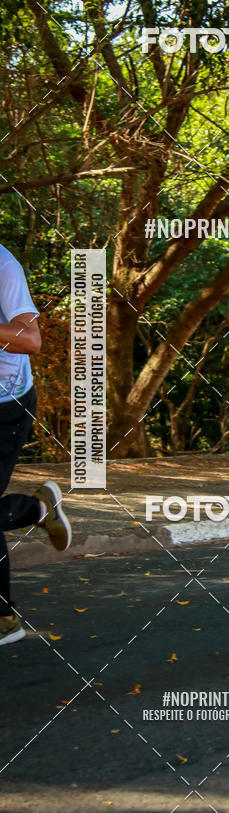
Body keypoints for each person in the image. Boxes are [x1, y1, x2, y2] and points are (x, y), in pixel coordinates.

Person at [0, 244, 71, 646]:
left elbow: (30, 340)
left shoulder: (3, 266)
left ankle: (4, 621)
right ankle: (40, 509)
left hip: (5, 406)